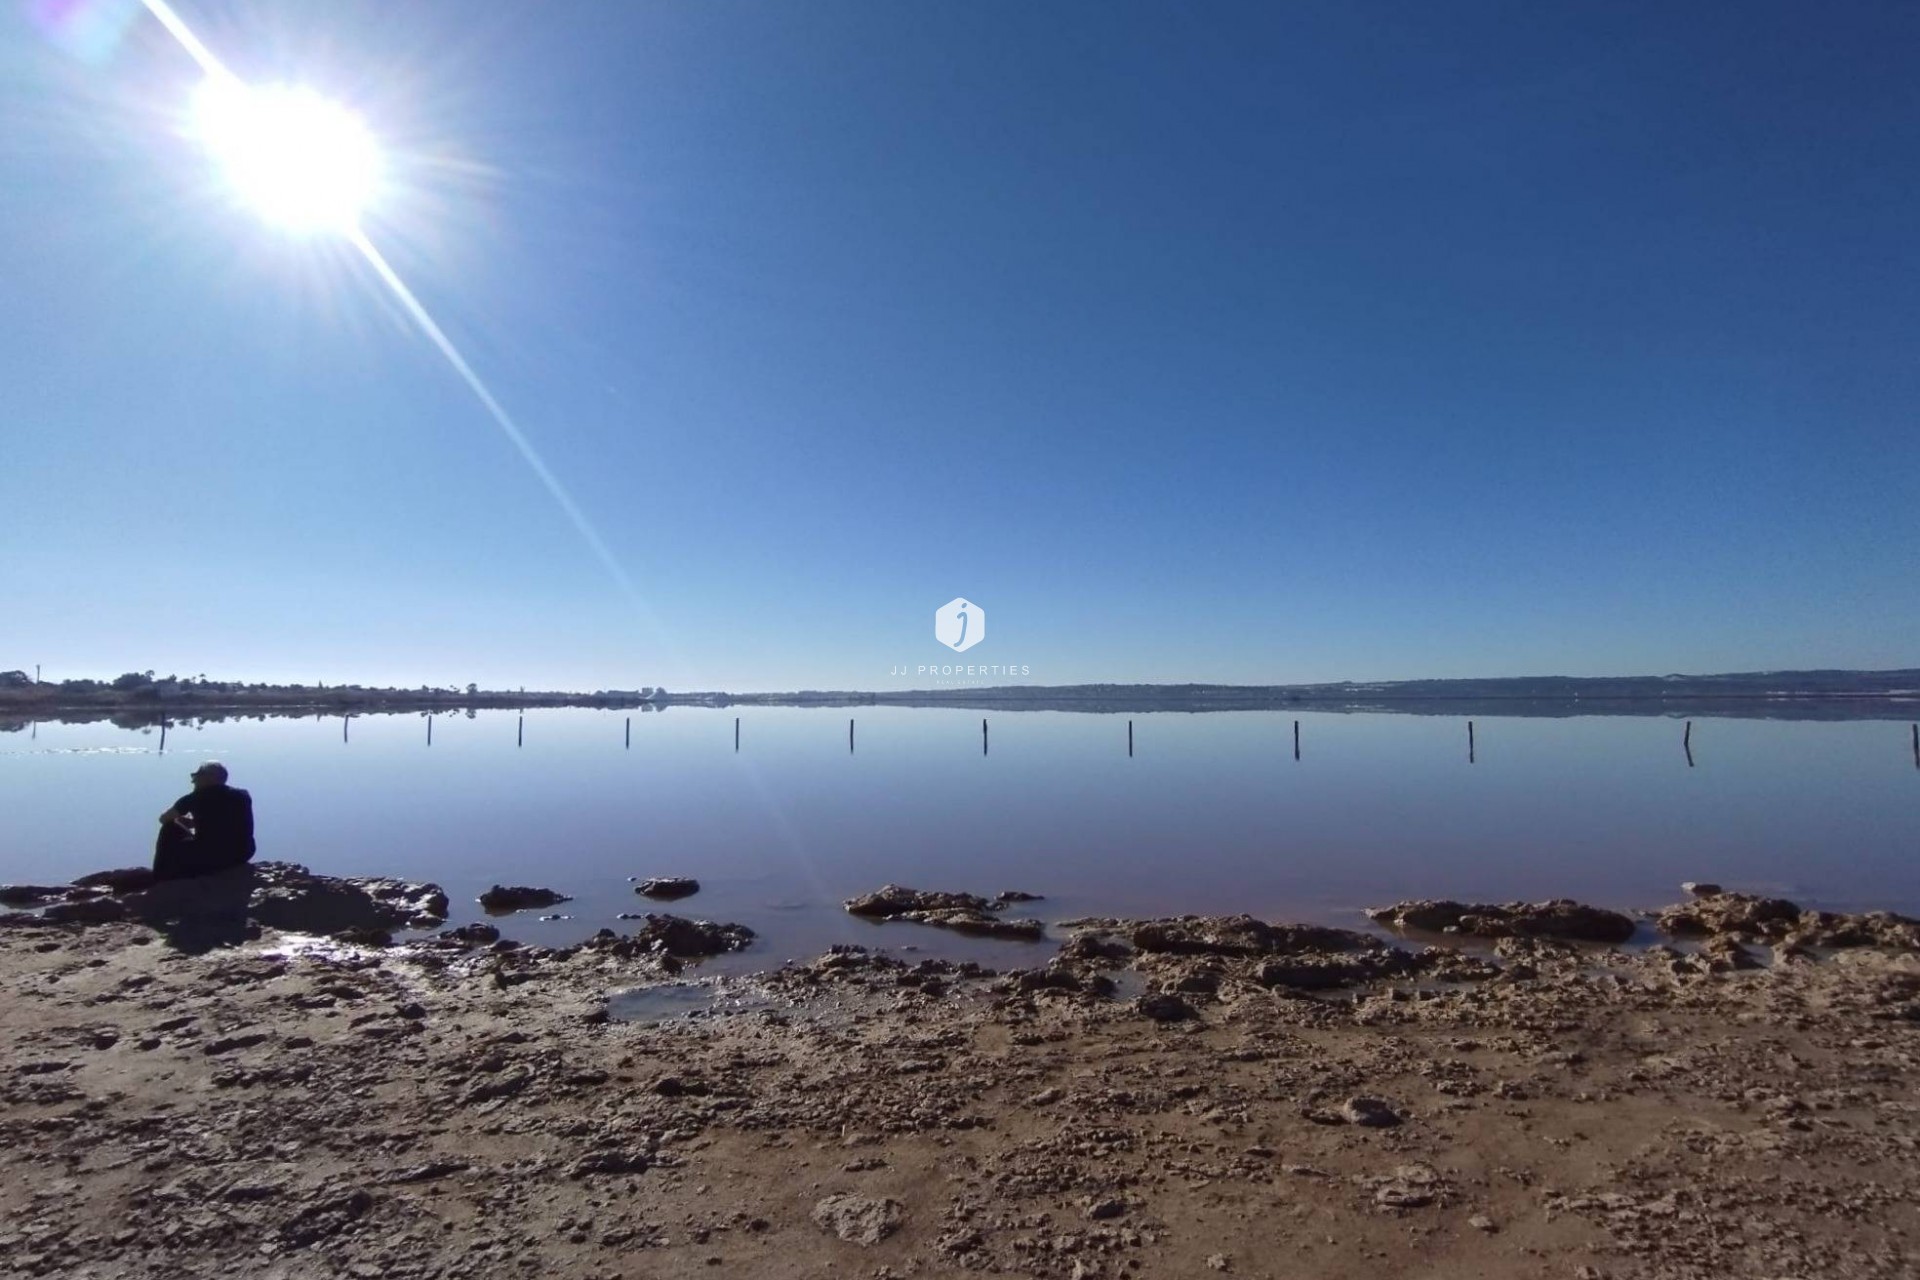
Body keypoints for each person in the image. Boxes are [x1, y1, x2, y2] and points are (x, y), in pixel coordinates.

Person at [153, 760, 256, 881]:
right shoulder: (243, 795)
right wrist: (194, 823)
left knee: (169, 828)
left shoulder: (194, 798)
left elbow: (164, 818)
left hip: (210, 857)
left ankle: (160, 875)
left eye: (196, 775)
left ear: (208, 777)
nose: (193, 780)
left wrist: (180, 822)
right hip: (242, 854)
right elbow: (223, 821)